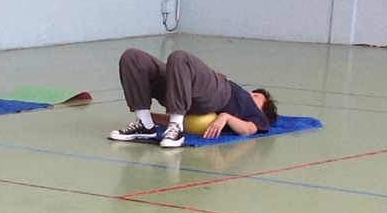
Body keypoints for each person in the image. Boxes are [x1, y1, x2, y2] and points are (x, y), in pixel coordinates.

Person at [108, 48, 278, 148]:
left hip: (219, 93)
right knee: (133, 57)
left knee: (180, 57)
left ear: (262, 109)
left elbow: (248, 129)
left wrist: (225, 117)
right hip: (190, 92)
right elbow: (186, 116)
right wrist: (153, 118)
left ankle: (177, 131)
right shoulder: (241, 96)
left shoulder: (257, 115)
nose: (250, 93)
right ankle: (144, 124)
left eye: (256, 96)